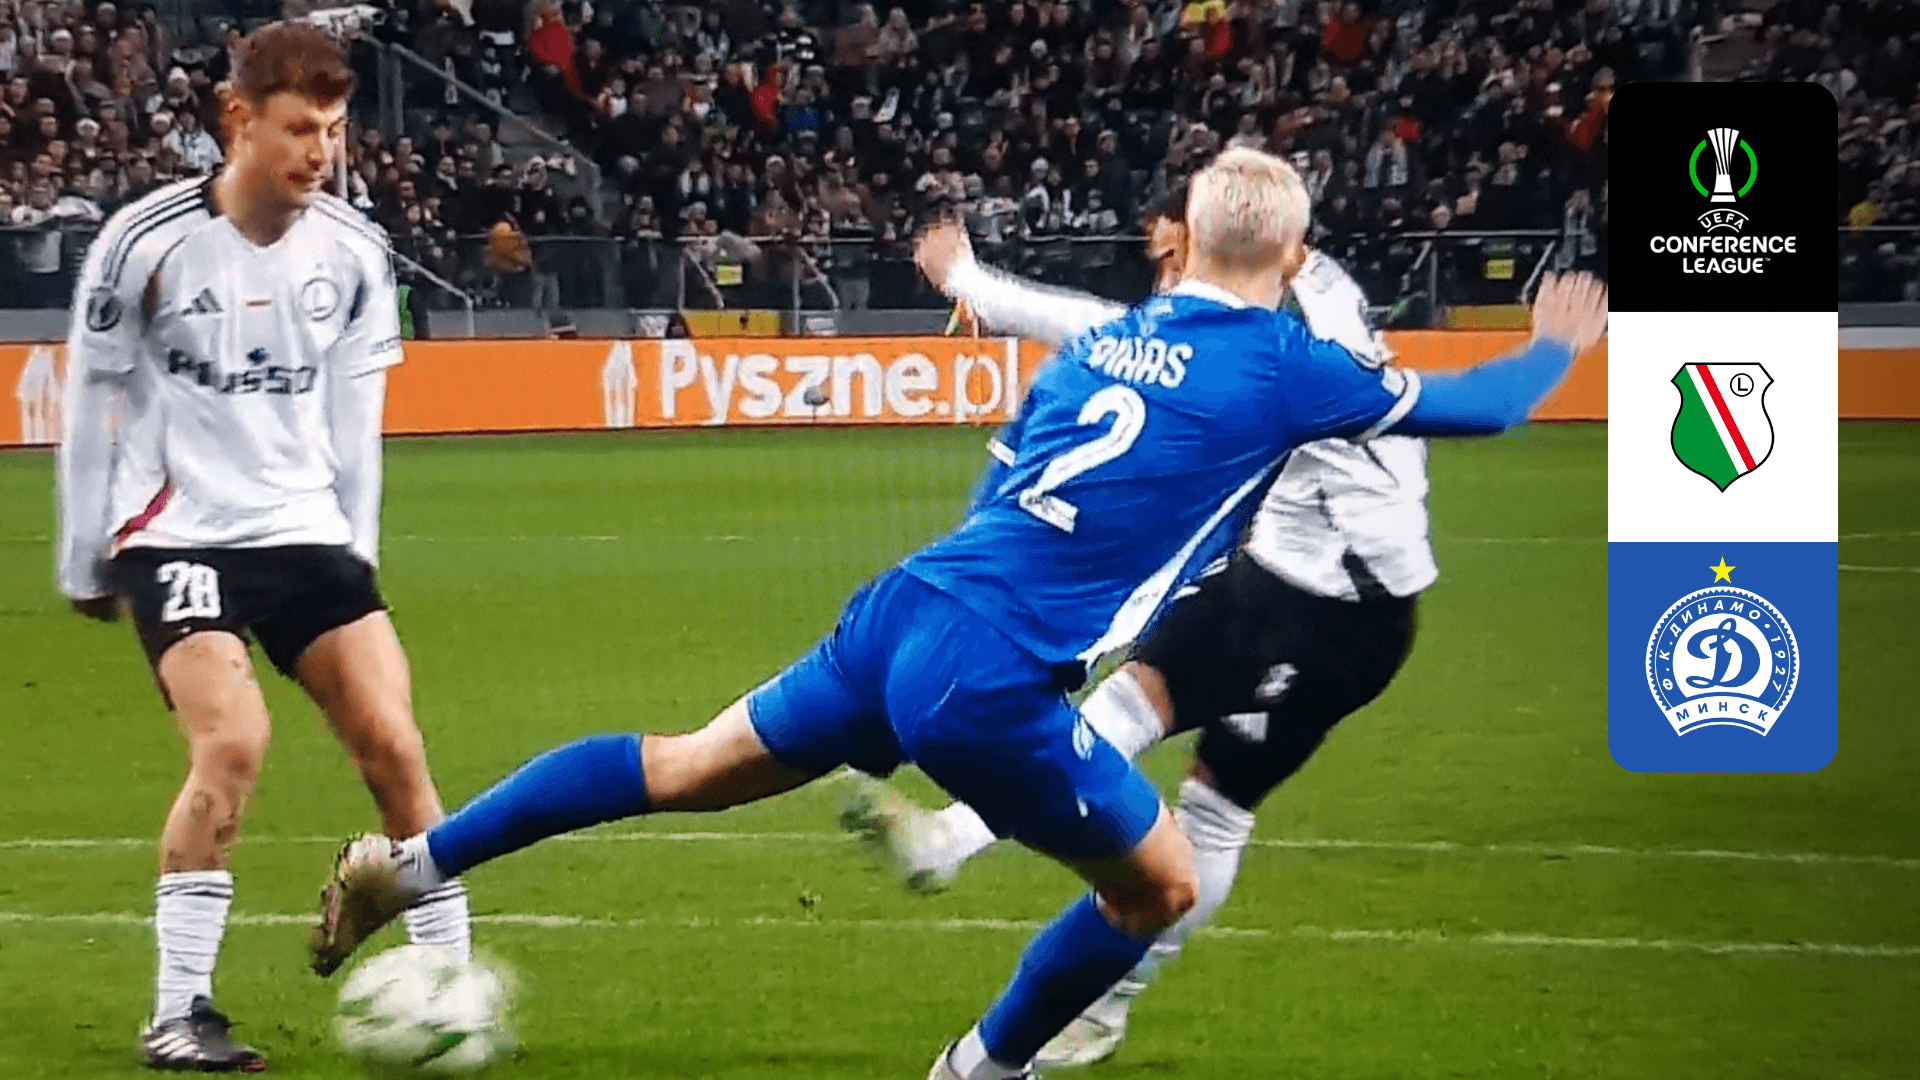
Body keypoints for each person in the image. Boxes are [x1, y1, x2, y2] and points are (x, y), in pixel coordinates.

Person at [305, 148, 1608, 1079]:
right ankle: (981, 1069)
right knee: (1158, 887)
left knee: (682, 764)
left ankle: (406, 868)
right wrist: (1556, 343)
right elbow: (1481, 406)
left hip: (906, 608)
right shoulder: (1288, 364)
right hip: (985, 674)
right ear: (1295, 256)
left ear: (1190, 240)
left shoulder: (1106, 344)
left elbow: (1004, 481)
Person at [841, 178, 1505, 1067]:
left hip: (1341, 612)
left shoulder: (1280, 332)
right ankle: (959, 850)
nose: (1168, 276)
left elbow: (1101, 330)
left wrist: (970, 279)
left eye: (1173, 253)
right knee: (1136, 712)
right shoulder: (1288, 285)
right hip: (1276, 574)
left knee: (1212, 806)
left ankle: (1090, 986)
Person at [53, 23, 472, 1073]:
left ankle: (451, 987)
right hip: (177, 535)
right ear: (237, 120)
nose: (319, 151)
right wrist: (82, 556)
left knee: (397, 750)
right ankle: (178, 1012)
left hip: (305, 532)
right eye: (298, 128)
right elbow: (93, 392)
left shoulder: (354, 250)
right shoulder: (145, 242)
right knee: (233, 743)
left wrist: (356, 557)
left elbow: (357, 424)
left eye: (333, 129)